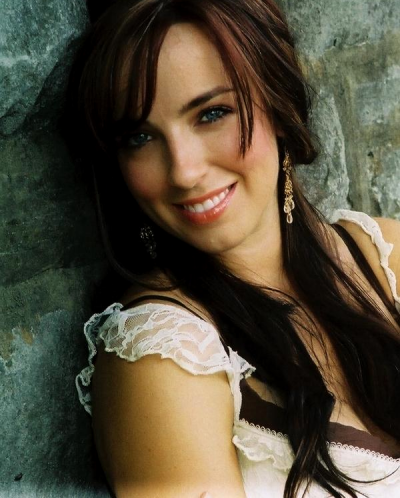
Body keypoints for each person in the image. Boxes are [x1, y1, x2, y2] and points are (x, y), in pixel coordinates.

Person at [69, 0, 400, 496]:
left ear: (279, 104)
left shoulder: (385, 252)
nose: (184, 171)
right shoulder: (163, 357)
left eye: (211, 113)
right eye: (139, 137)